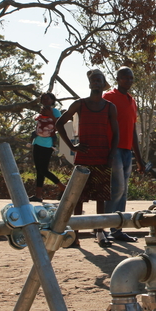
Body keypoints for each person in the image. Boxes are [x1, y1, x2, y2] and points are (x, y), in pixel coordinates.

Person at [57, 70, 119, 248]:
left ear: (103, 83)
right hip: (83, 159)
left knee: (101, 197)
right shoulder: (80, 104)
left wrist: (111, 155)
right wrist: (71, 146)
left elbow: (116, 133)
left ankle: (99, 232)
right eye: (93, 80)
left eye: (99, 80)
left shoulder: (109, 107)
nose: (96, 83)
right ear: (90, 84)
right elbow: (59, 123)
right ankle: (75, 234)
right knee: (77, 198)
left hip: (102, 157)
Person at [103, 67, 146, 242]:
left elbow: (132, 130)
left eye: (131, 78)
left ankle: (117, 229)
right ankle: (102, 226)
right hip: (113, 149)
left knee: (123, 191)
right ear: (118, 78)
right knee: (117, 188)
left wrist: (139, 158)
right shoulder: (108, 97)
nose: (128, 80)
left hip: (127, 150)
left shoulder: (132, 101)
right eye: (125, 77)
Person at [30, 92, 66, 202]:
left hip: (47, 144)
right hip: (37, 142)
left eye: (48, 99)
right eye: (43, 99)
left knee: (44, 170)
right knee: (39, 170)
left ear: (52, 100)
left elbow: (60, 125)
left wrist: (51, 115)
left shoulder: (55, 111)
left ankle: (62, 187)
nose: (45, 100)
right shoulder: (40, 112)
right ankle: (38, 195)